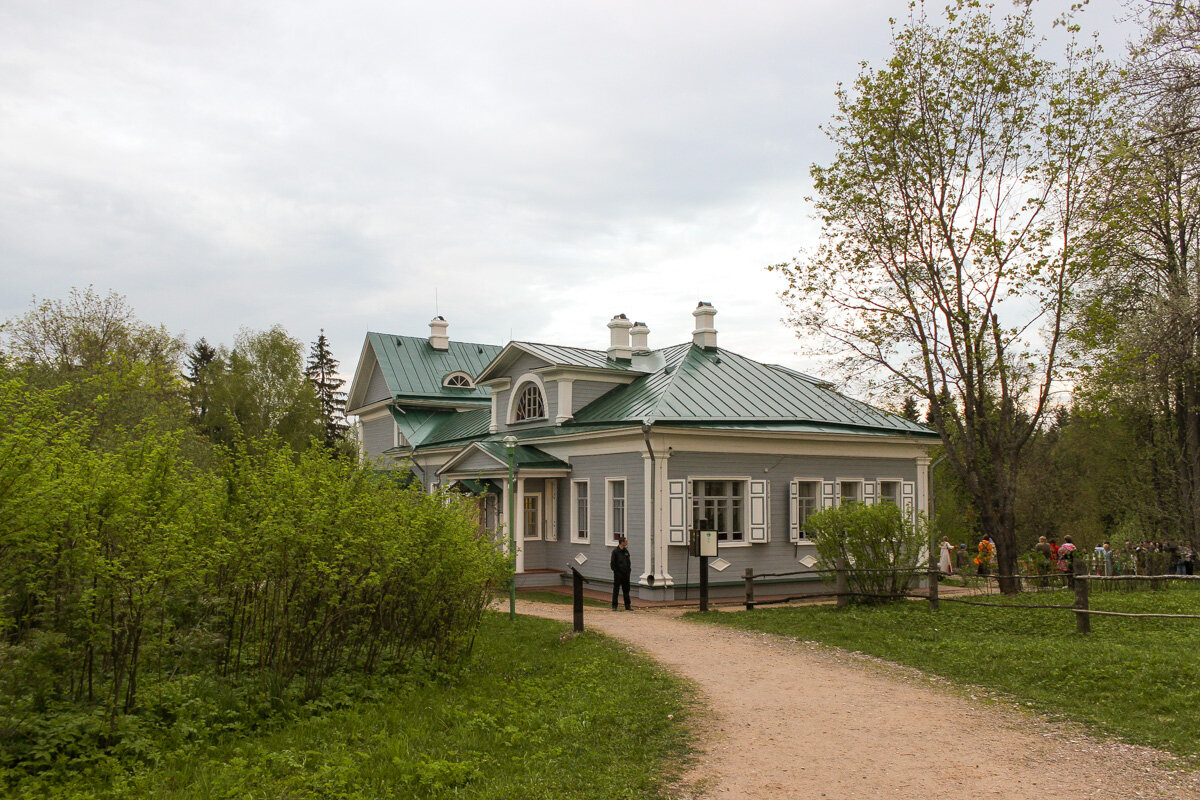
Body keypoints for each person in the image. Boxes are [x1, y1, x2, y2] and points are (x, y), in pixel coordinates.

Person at [610, 535, 632, 611]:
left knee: (626, 590)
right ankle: (614, 606)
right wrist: (616, 571)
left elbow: (628, 562)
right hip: (618, 574)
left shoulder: (626, 551)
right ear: (622, 542)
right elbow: (612, 563)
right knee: (616, 590)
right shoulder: (615, 551)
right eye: (625, 541)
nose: (626, 543)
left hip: (626, 574)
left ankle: (627, 605)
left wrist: (628, 571)